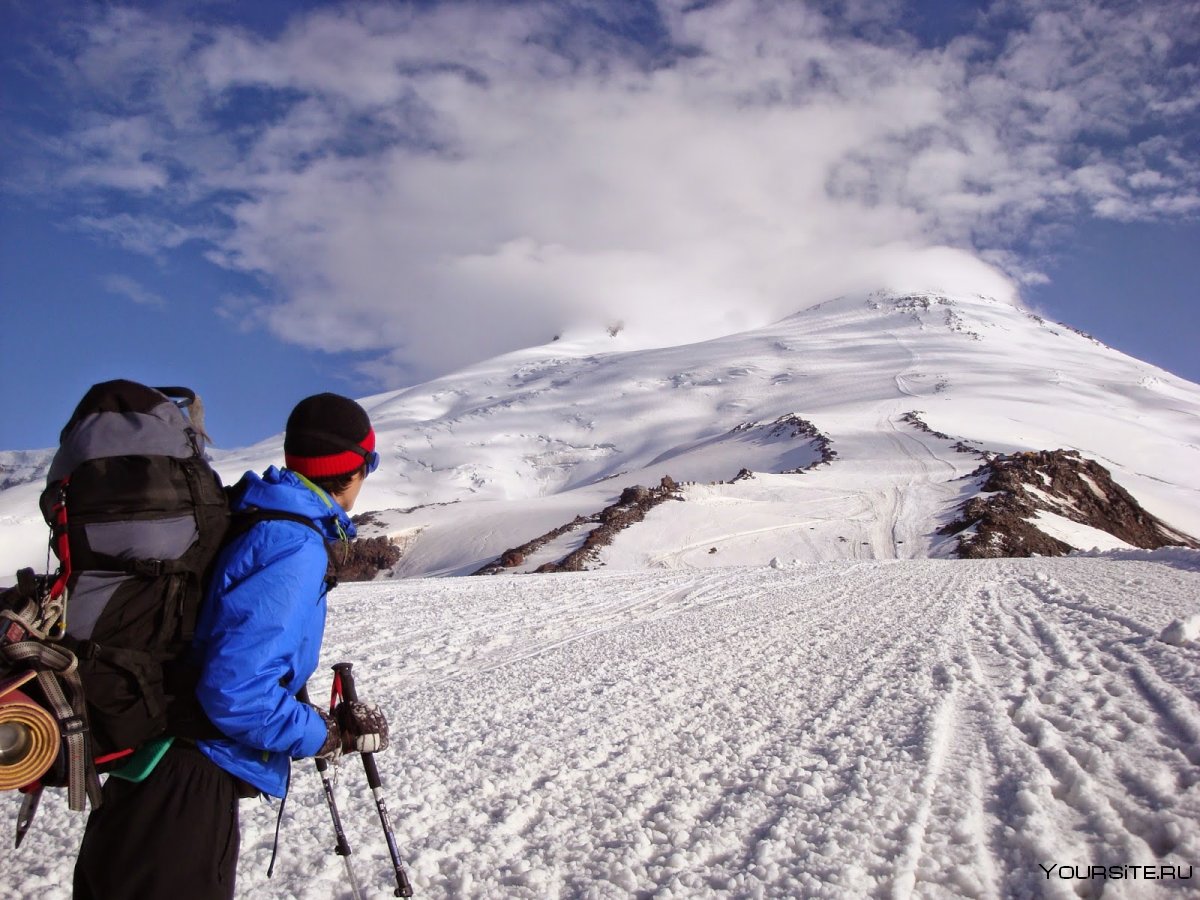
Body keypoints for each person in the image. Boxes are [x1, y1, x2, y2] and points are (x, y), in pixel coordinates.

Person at [73, 392, 390, 900]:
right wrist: (321, 732)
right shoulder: (292, 543)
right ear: (357, 468)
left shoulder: (251, 511)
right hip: (185, 785)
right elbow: (238, 692)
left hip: (149, 768)